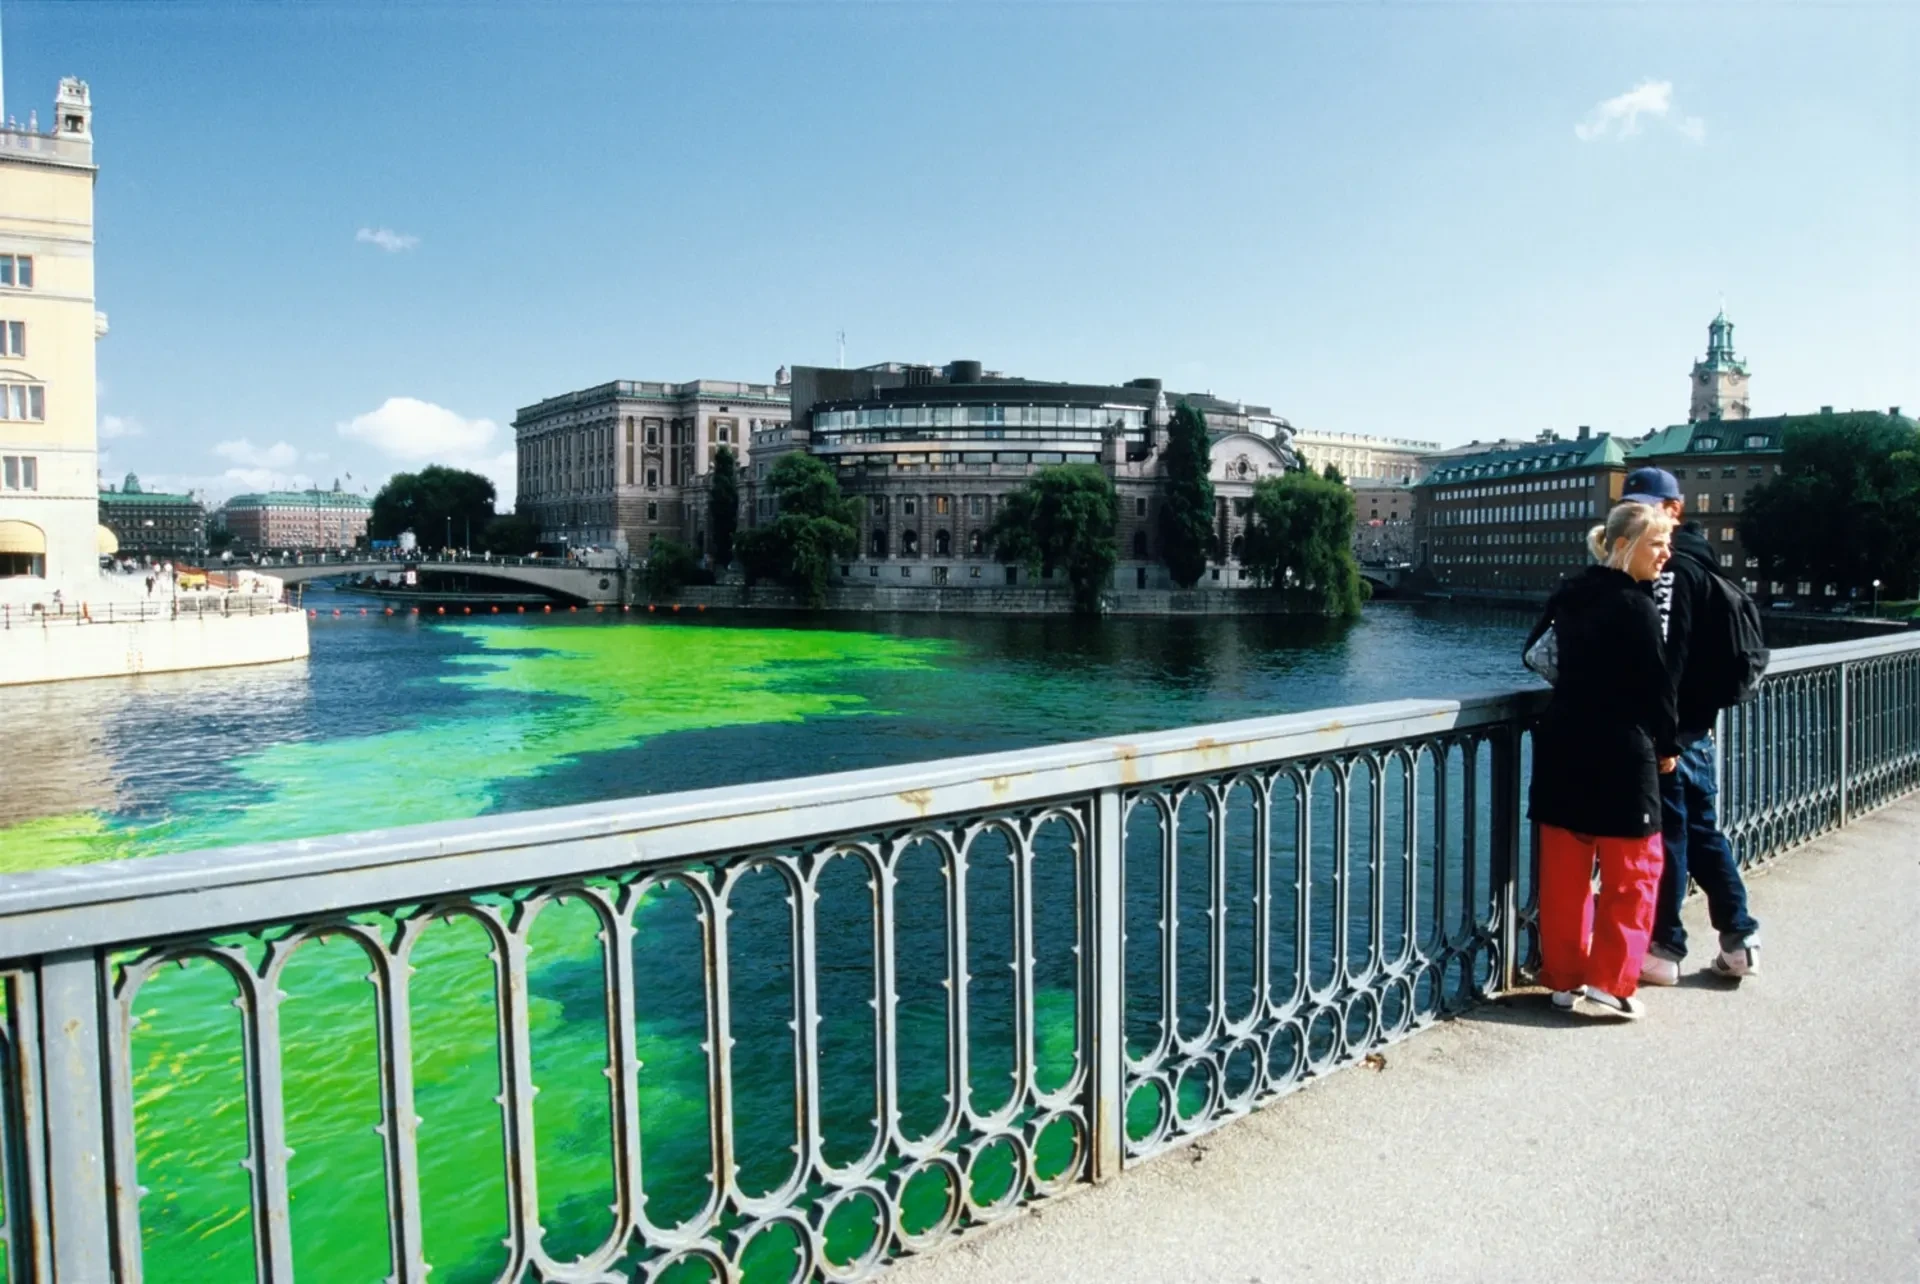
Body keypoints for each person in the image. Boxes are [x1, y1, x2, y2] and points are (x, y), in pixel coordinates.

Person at [1524, 501, 1680, 1019]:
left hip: (1563, 744)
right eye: (1656, 544)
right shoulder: (1637, 606)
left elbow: (1534, 652)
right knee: (1633, 872)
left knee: (1565, 875)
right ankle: (1611, 981)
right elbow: (1658, 686)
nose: (1665, 555)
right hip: (1621, 753)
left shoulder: (1570, 592)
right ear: (1622, 546)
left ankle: (1564, 979)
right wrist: (1667, 747)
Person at [1619, 466, 1761, 984]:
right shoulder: (1707, 562)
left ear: (1673, 509)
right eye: (1633, 503)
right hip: (1700, 726)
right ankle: (1740, 938)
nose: (1642, 513)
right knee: (1702, 829)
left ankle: (1665, 948)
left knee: (1672, 834)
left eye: (1651, 505)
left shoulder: (1671, 570)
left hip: (1673, 732)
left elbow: (1665, 659)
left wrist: (1665, 734)